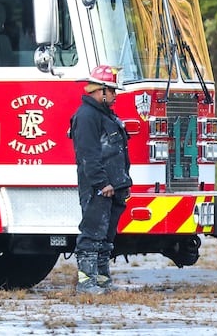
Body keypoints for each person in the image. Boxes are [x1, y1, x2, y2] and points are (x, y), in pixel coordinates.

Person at [69, 65, 132, 294]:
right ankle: (86, 284)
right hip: (99, 187)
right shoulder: (86, 116)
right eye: (112, 91)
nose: (115, 96)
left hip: (114, 186)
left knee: (106, 237)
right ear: (100, 91)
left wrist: (121, 184)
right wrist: (101, 183)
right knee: (92, 234)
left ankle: (103, 282)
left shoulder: (107, 116)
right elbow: (88, 155)